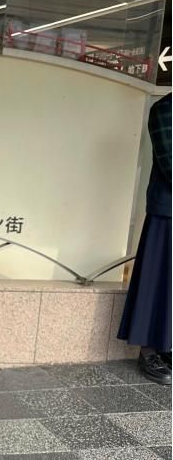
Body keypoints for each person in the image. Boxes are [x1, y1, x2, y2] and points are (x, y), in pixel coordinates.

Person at [118, 92, 171, 384]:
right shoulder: (165, 108)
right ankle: (148, 351)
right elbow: (170, 162)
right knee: (156, 281)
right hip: (167, 213)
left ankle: (168, 346)